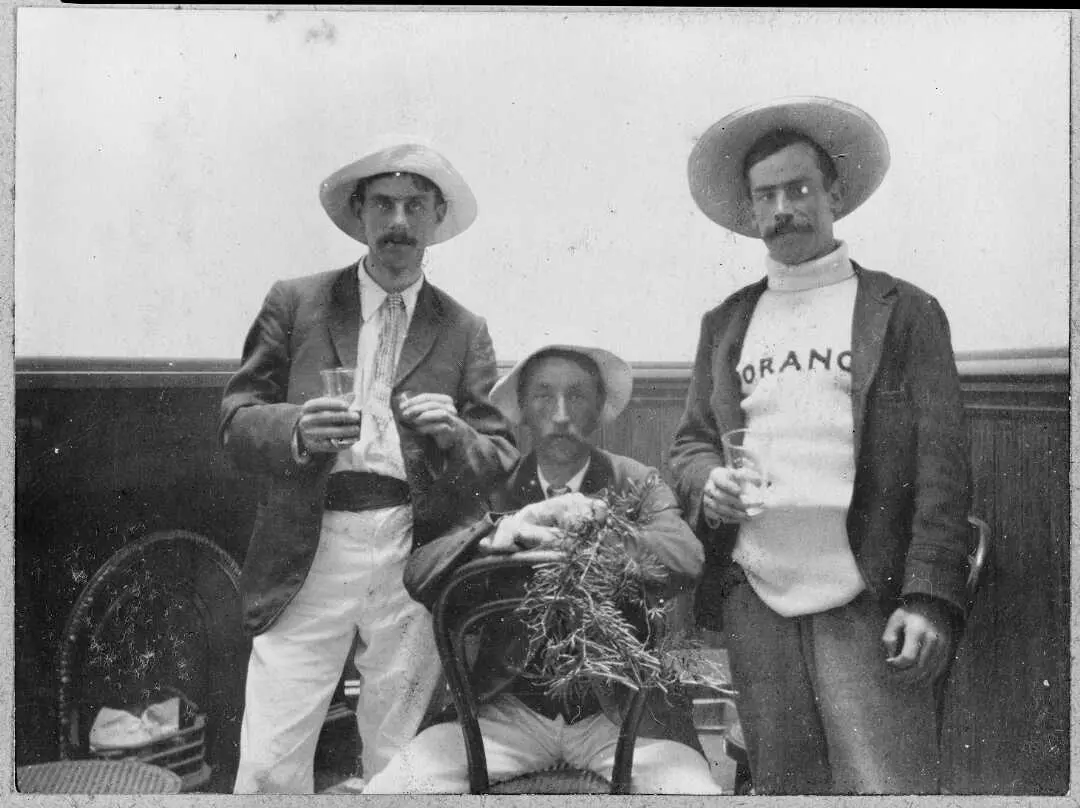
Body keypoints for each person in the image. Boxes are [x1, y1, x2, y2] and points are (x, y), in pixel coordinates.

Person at [670, 96, 971, 795]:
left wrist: (928, 599)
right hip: (759, 596)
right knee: (786, 787)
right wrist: (707, 478)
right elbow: (690, 443)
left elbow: (945, 471)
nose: (784, 209)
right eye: (766, 196)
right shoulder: (727, 322)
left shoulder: (906, 312)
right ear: (749, 212)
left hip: (869, 596)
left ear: (834, 194)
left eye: (799, 189)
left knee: (885, 786)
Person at [219, 142, 519, 793]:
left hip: (411, 552)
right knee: (270, 760)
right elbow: (236, 419)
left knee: (399, 760)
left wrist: (456, 431)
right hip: (311, 540)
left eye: (416, 206)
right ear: (360, 215)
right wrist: (295, 428)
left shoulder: (465, 329)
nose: (399, 222)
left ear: (436, 219)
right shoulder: (296, 303)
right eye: (383, 204)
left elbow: (496, 459)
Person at [363, 343, 724, 794]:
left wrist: (591, 529)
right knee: (389, 791)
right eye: (542, 396)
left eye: (576, 396)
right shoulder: (493, 483)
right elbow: (421, 572)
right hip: (505, 710)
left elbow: (686, 558)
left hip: (620, 715)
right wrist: (507, 528)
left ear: (599, 409)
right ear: (523, 411)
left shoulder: (635, 478)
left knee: (696, 794)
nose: (559, 413)